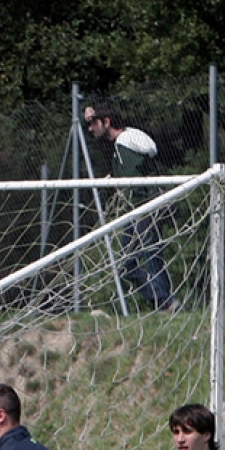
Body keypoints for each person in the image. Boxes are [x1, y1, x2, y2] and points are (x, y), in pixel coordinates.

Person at [86, 101, 174, 310]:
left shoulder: (125, 144)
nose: (90, 129)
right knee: (147, 258)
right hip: (142, 209)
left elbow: (134, 179)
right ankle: (165, 302)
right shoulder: (124, 143)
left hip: (142, 209)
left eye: (93, 124)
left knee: (132, 262)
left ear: (106, 122)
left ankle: (165, 302)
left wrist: (135, 206)